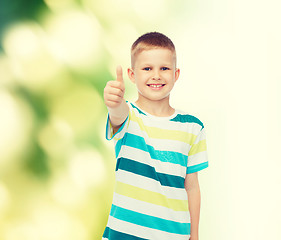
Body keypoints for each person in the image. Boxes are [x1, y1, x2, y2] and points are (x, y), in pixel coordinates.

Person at [102, 32, 208, 240]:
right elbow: (117, 115)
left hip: (173, 235)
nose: (156, 75)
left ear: (176, 74)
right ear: (132, 75)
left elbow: (192, 187)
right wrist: (114, 103)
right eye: (147, 68)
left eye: (164, 68)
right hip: (124, 234)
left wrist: (194, 236)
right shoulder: (129, 116)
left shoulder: (193, 127)